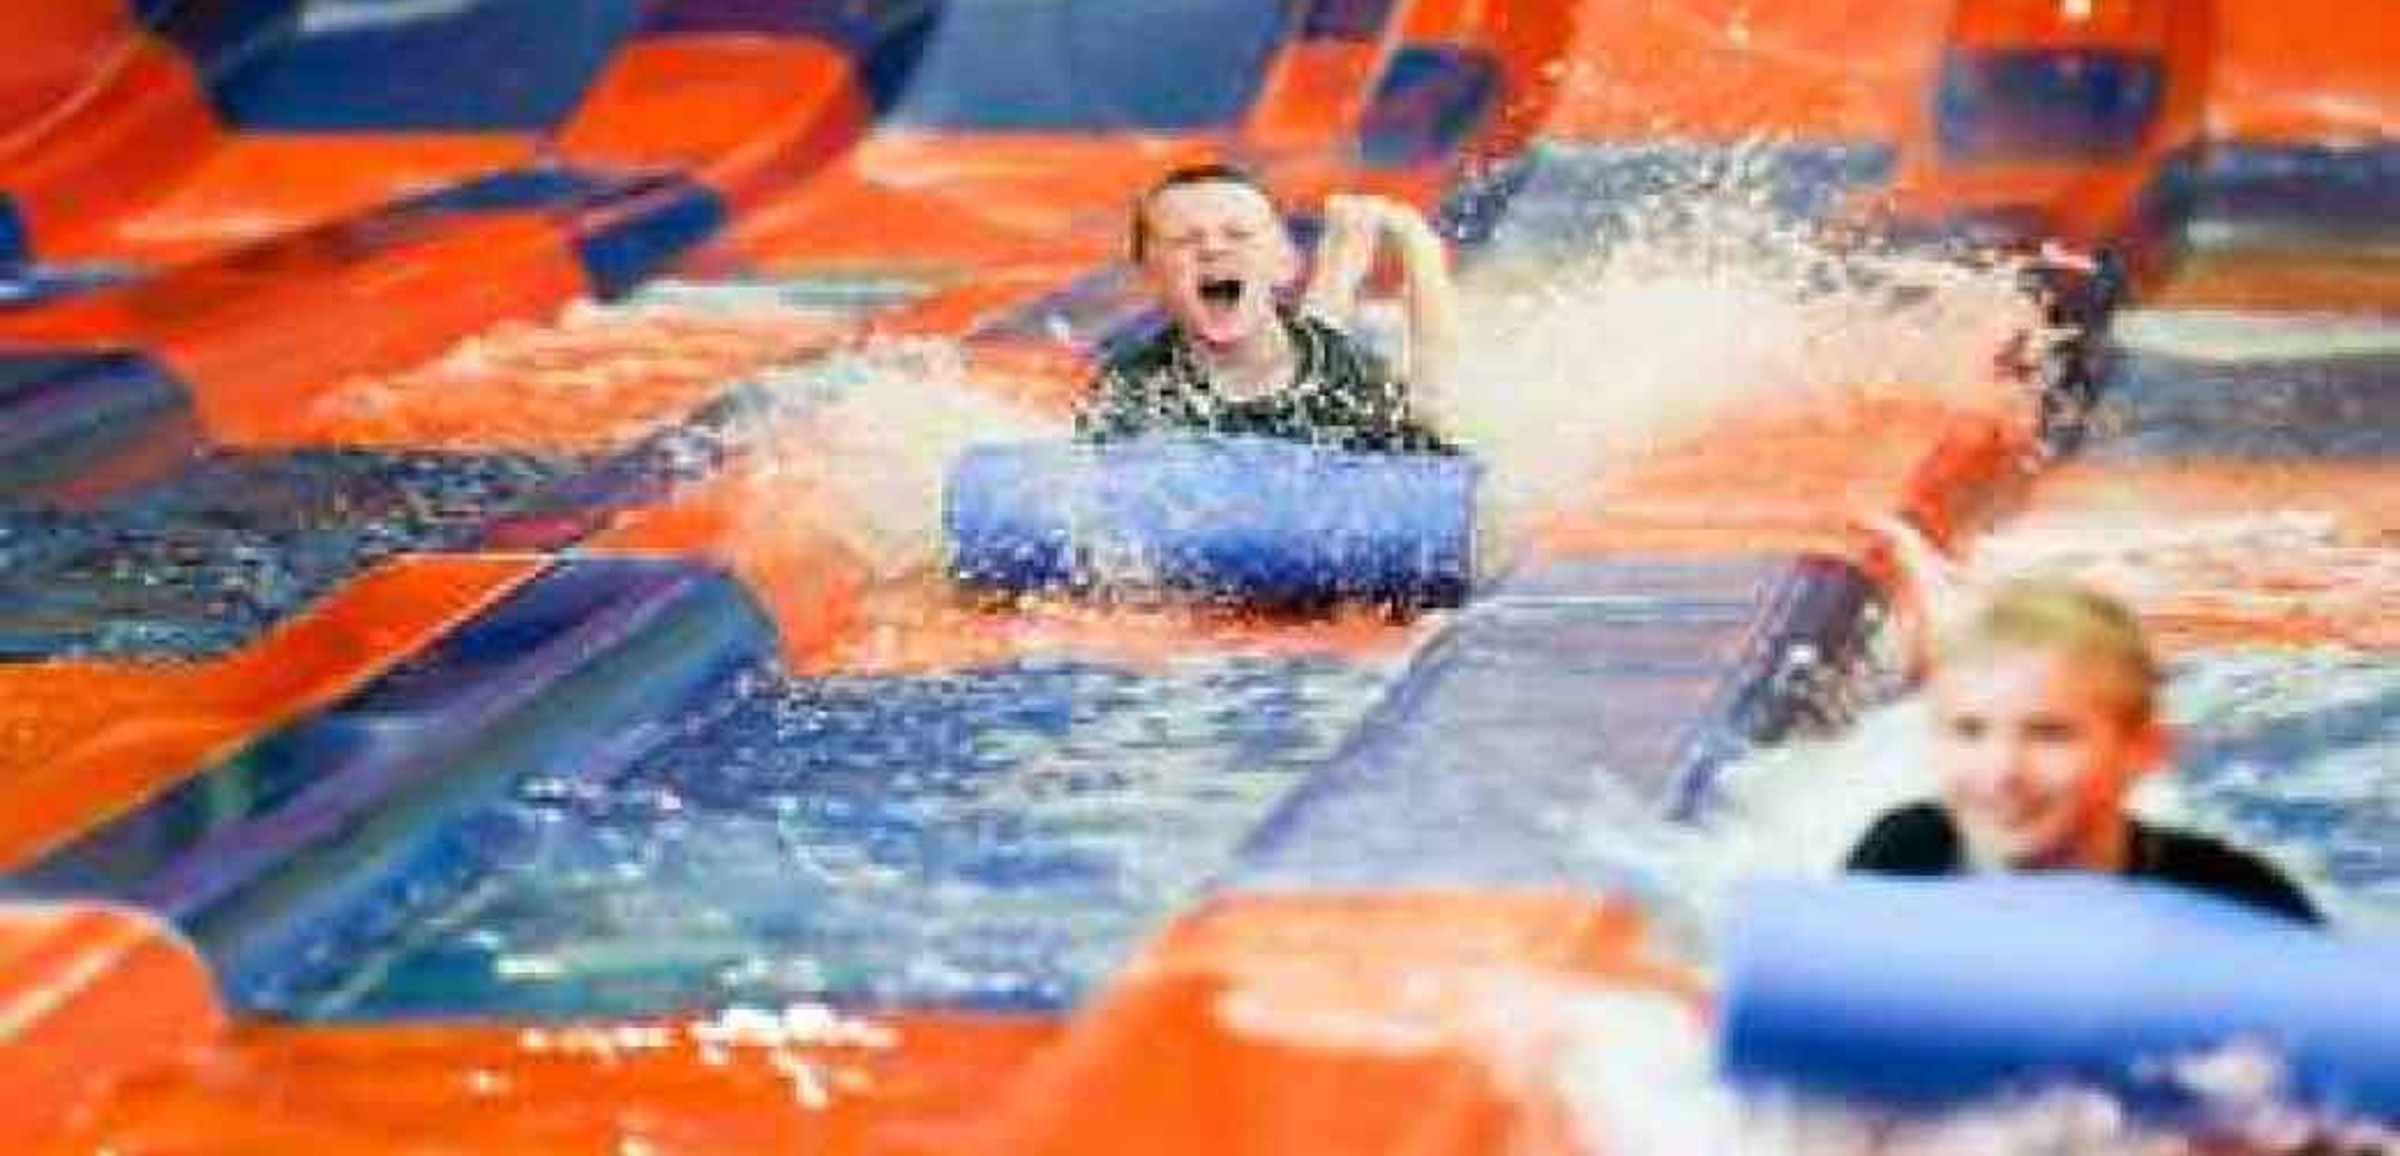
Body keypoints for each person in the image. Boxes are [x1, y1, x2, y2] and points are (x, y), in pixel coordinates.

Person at [1845, 573, 2321, 925]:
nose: (2001, 772)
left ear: (2144, 751)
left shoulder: (2235, 904)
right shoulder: (1900, 859)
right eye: (1969, 731)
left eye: (2049, 734)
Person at [1074, 163, 1462, 453]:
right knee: (1310, 339)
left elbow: (1432, 418)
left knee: (1320, 353)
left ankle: (1346, 254)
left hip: (1312, 360)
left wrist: (1418, 247)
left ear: (1287, 265)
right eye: (1183, 240)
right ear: (1150, 278)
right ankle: (1343, 254)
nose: (1213, 248)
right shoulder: (1135, 387)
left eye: (1238, 234)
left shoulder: (1352, 376)